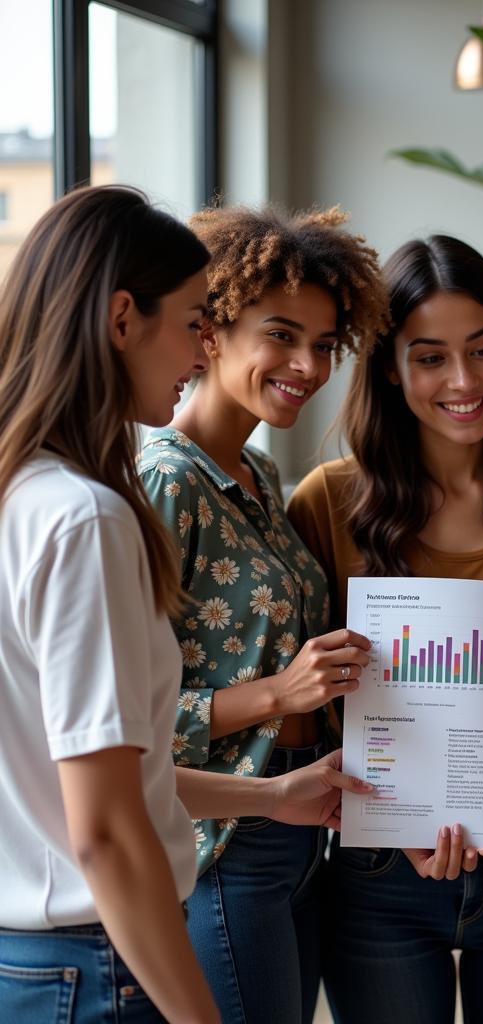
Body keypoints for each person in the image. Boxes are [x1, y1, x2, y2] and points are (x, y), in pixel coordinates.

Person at [0, 185, 375, 1024]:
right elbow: (103, 819)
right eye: (196, 321)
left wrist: (278, 797)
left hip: (74, 938)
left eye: (324, 344)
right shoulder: (100, 510)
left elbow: (104, 767)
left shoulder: (37, 494)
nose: (199, 350)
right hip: (104, 947)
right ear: (123, 317)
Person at [287, 235, 483, 1024]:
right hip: (380, 875)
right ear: (390, 368)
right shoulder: (328, 503)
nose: (463, 381)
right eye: (430, 357)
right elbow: (301, 713)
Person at [138, 204, 390, 1024]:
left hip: (301, 826)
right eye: (281, 336)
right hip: (228, 840)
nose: (308, 364)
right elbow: (125, 724)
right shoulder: (166, 482)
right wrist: (280, 697)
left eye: (323, 345)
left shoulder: (257, 475)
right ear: (210, 331)